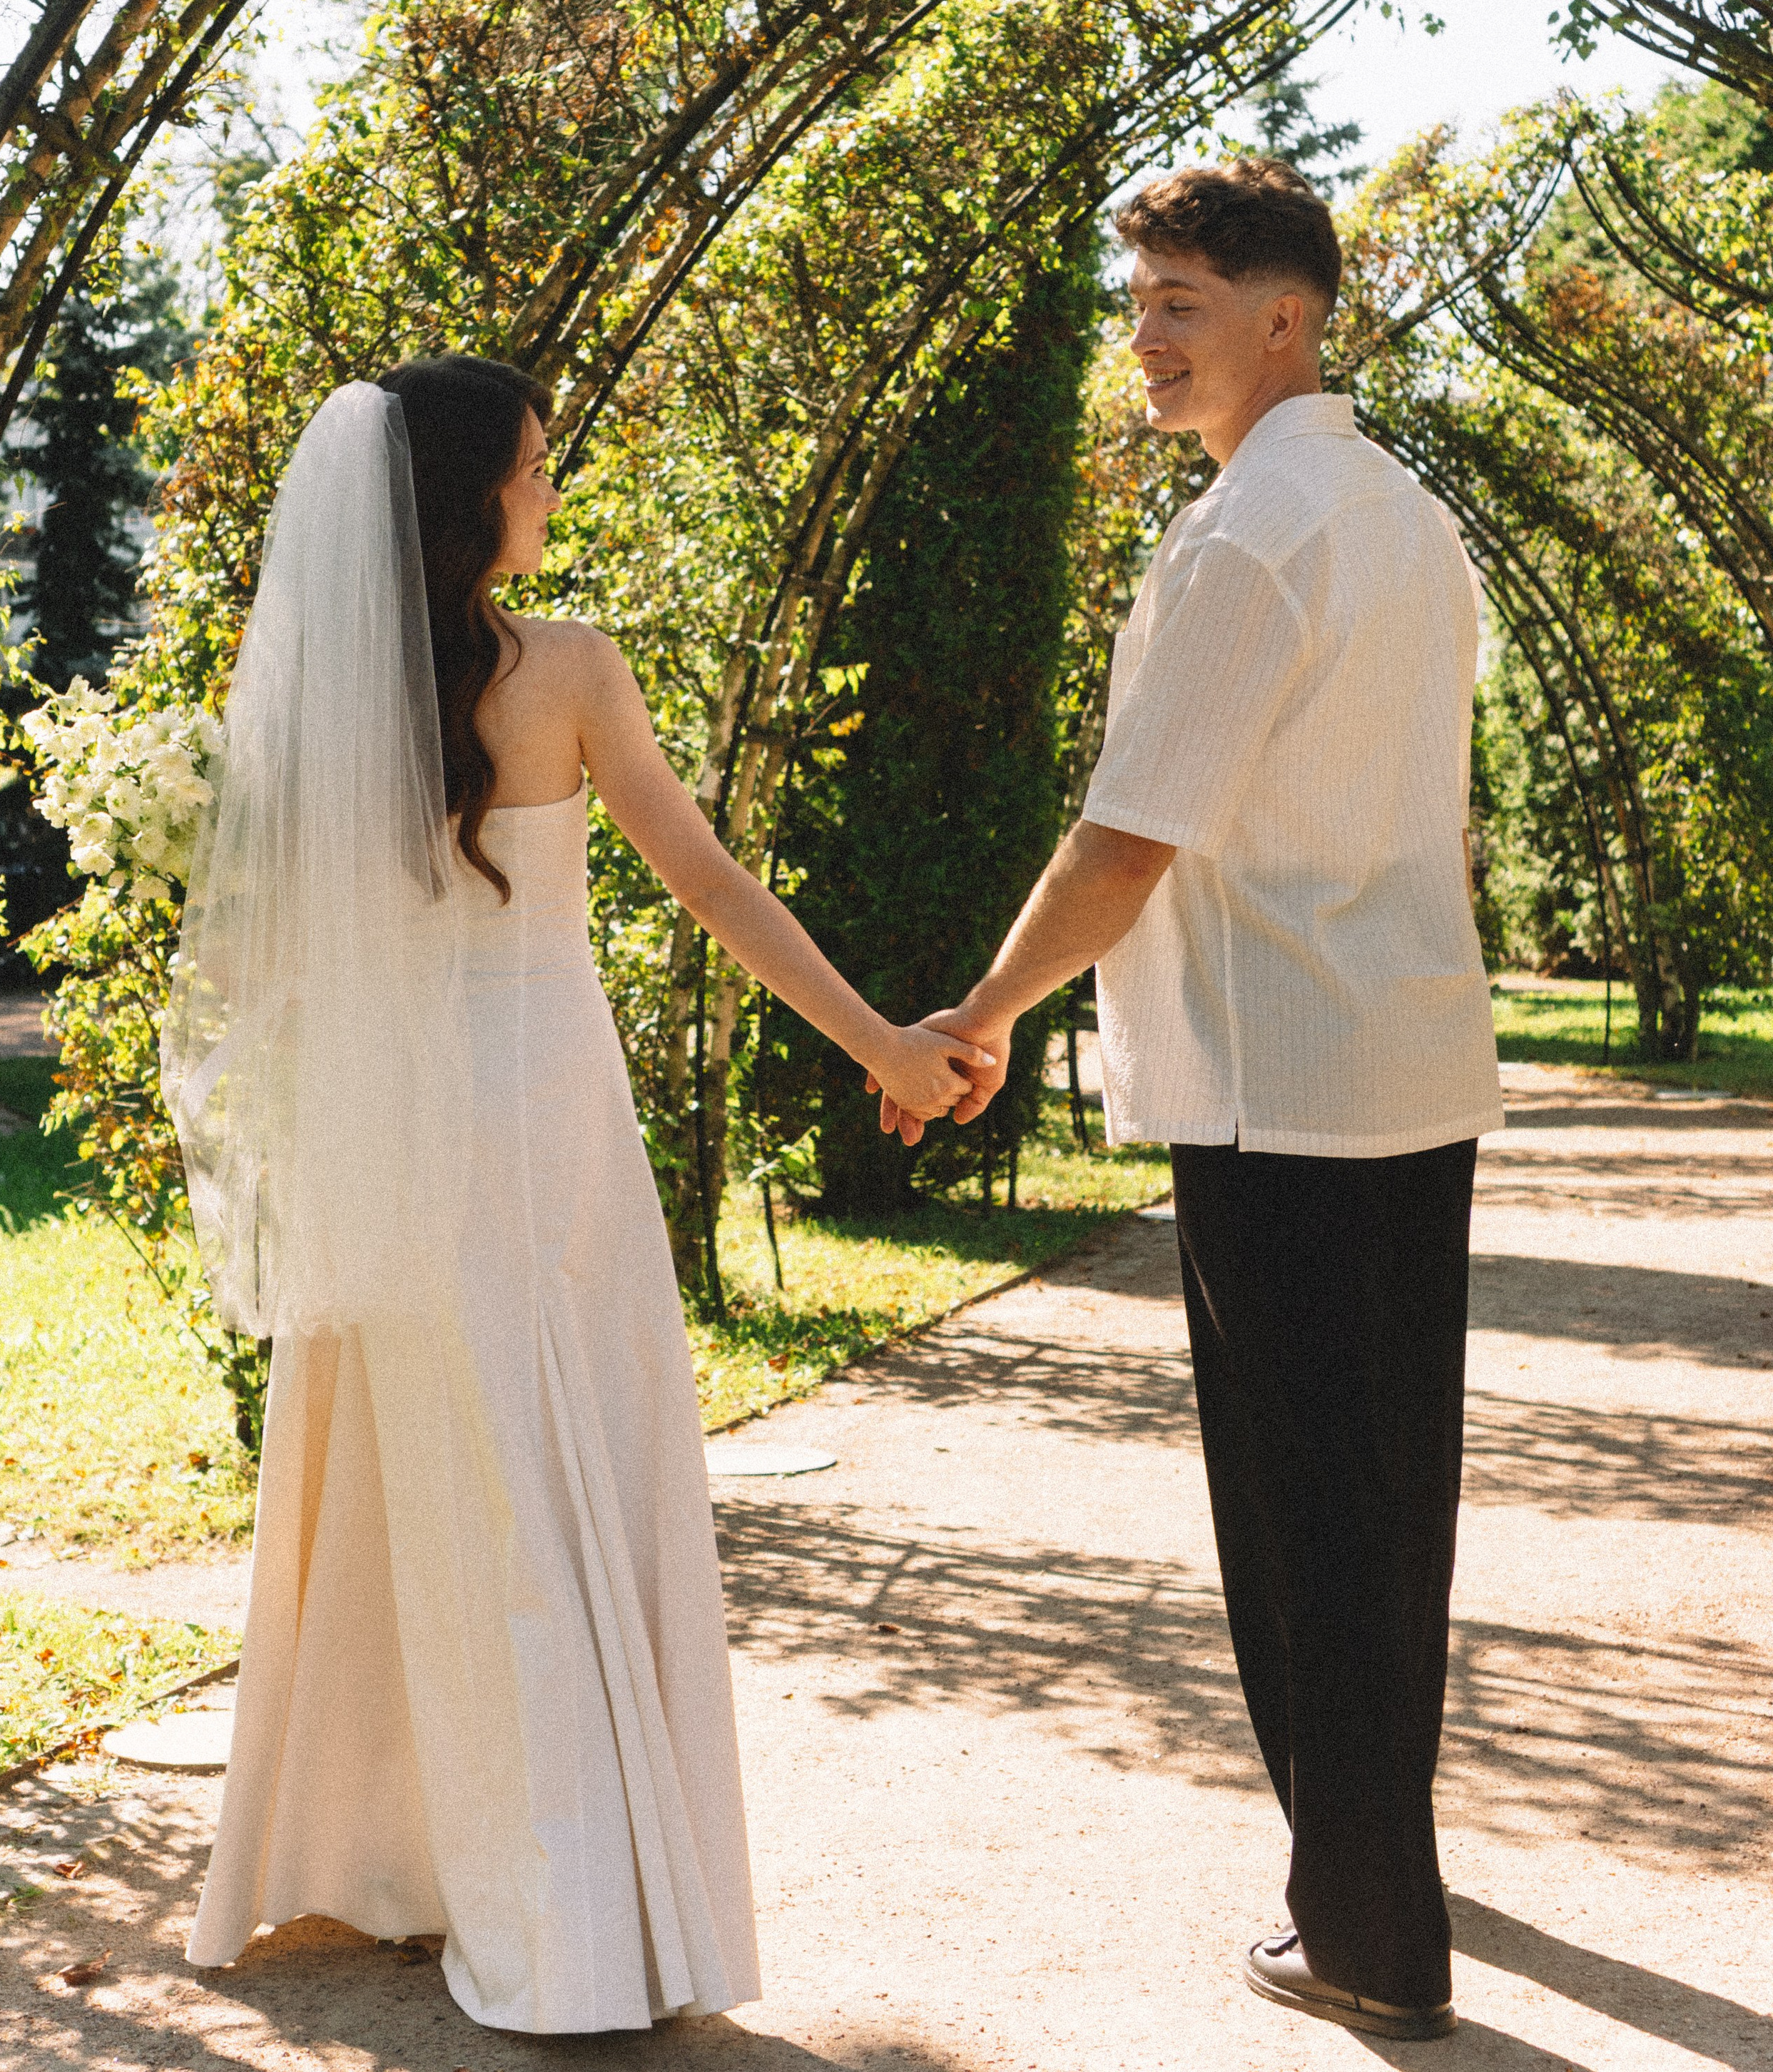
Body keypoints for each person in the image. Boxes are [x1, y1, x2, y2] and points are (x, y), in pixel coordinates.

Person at [166, 355, 988, 2033]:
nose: (551, 494)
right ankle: (571, 1913)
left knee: (423, 1480)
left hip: (393, 1129)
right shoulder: (570, 674)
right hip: (538, 1123)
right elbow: (709, 885)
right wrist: (887, 1048)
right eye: (535, 470)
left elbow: (269, 959)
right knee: (552, 1483)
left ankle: (396, 1850)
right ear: (473, 500)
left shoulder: (316, 693)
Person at [880, 157, 1503, 2041]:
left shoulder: (1251, 538)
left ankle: (1371, 1933)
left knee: (1308, 1519)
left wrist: (984, 1007)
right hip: (1405, 1063)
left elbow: (1131, 838)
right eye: (1138, 302)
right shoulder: (1407, 515)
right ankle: (1386, 1873)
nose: (1141, 340)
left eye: (1179, 304)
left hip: (1279, 1091)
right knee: (1394, 1501)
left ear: (1287, 317)